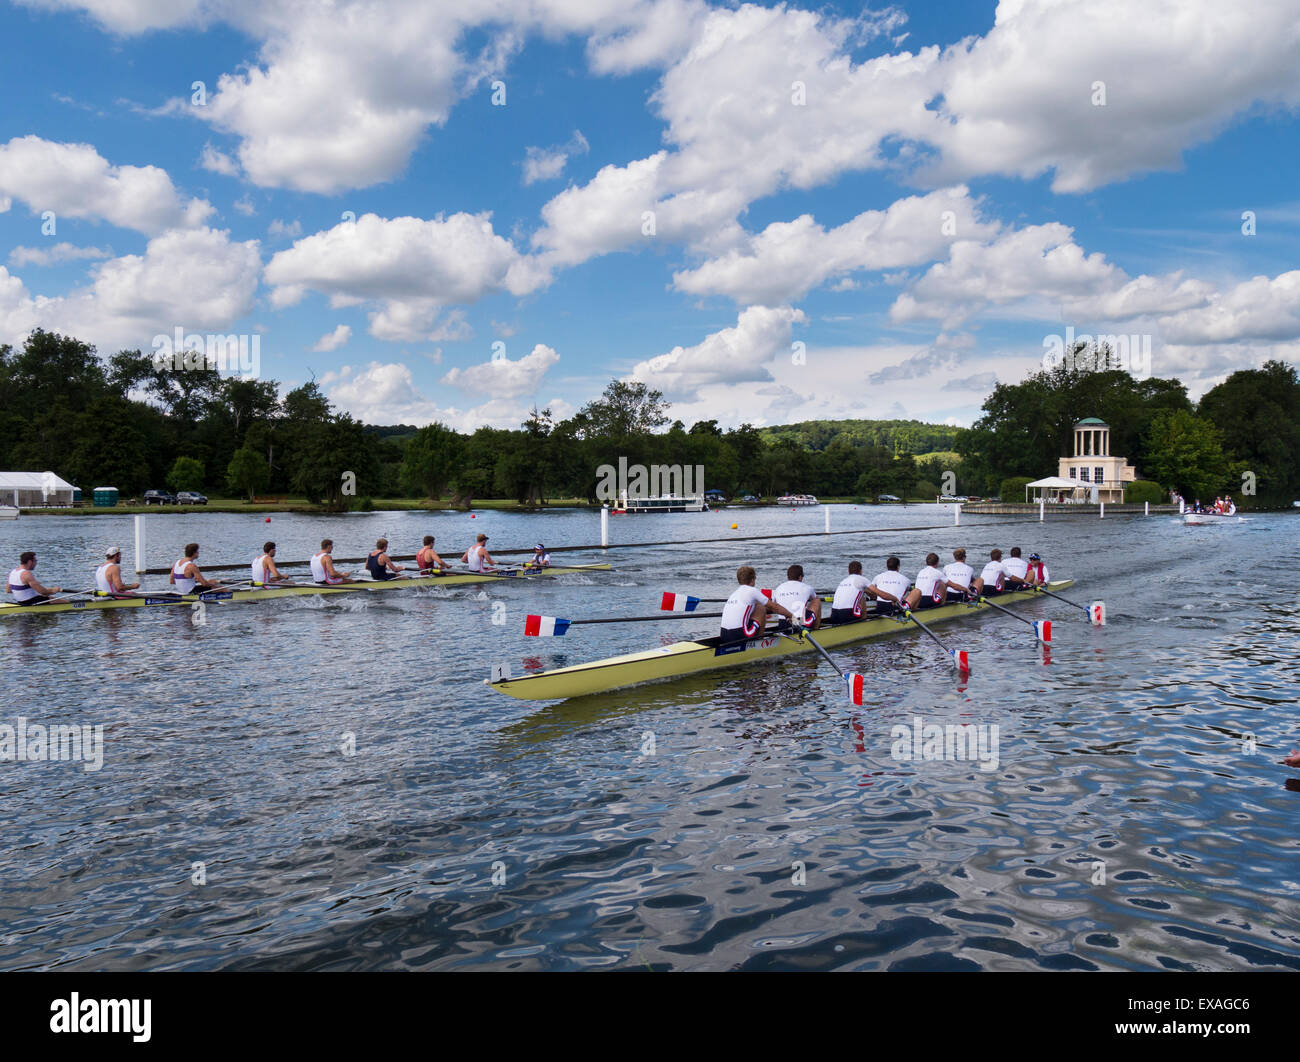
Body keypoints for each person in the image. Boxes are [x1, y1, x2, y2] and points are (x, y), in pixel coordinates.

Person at [719, 565, 794, 645]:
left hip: (724, 635)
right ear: (752, 580)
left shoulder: (734, 594)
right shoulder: (752, 591)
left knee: (757, 605)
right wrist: (790, 615)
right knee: (761, 608)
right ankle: (760, 642)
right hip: (739, 635)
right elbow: (775, 607)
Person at [773, 564, 821, 631]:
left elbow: (774, 605)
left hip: (783, 624)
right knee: (817, 601)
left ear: (788, 577)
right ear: (800, 577)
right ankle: (816, 630)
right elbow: (814, 600)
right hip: (800, 623)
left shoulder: (778, 588)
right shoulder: (807, 587)